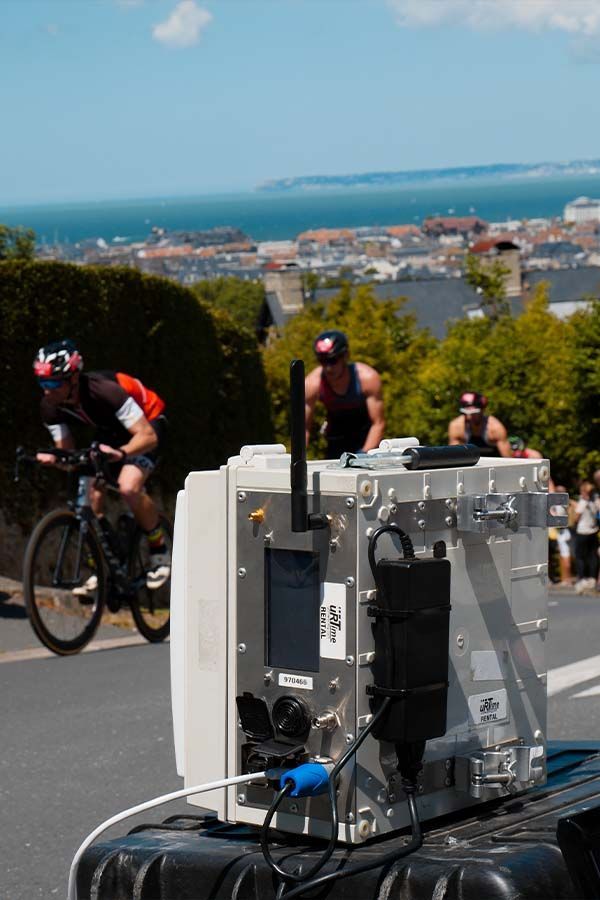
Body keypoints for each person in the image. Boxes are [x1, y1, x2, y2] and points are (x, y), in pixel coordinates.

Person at [33, 339, 170, 591]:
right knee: (90, 494)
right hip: (111, 429)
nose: (46, 390)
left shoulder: (105, 391)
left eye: (52, 383)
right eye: (42, 383)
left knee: (128, 487)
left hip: (148, 423)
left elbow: (147, 437)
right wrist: (57, 459)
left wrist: (122, 453)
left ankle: (159, 550)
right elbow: (68, 452)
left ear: (73, 379)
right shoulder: (49, 407)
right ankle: (104, 563)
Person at [305, 330, 385, 458]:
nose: (328, 368)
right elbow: (303, 429)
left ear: (345, 356)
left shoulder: (367, 378)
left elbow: (378, 423)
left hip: (366, 440)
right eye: (322, 361)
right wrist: (297, 463)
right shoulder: (312, 383)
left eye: (332, 360)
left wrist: (363, 456)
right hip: (336, 441)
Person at [448, 391, 511, 457]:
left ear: (482, 411)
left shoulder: (495, 428)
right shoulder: (456, 426)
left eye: (473, 413)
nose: (469, 416)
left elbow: (509, 459)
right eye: (466, 412)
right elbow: (453, 457)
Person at [573, 480, 600, 594]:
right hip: (593, 531)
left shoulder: (583, 501)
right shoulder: (595, 501)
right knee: (593, 556)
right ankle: (592, 578)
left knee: (580, 556)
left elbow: (576, 517)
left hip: (582, 531)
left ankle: (582, 578)